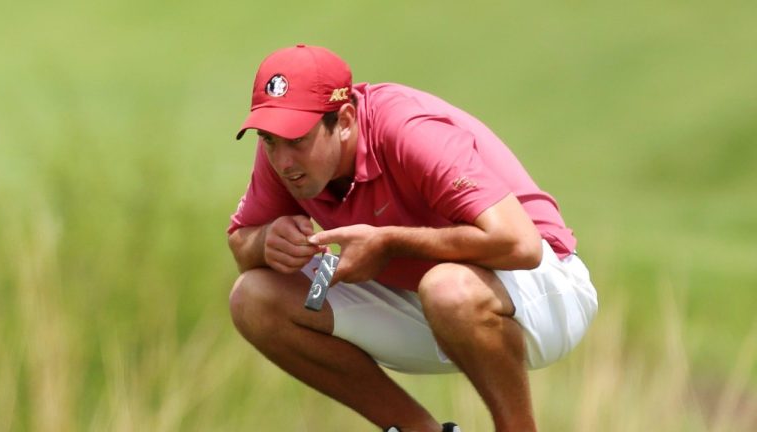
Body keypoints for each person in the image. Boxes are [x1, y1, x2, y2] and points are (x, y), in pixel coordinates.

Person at [227, 44, 598, 432]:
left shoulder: (407, 127)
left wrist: (389, 243)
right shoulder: (285, 153)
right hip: (431, 306)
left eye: (297, 140)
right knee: (253, 298)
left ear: (346, 120)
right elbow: (242, 246)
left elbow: (520, 245)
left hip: (543, 291)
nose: (283, 161)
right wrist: (265, 240)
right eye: (269, 140)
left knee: (446, 288)